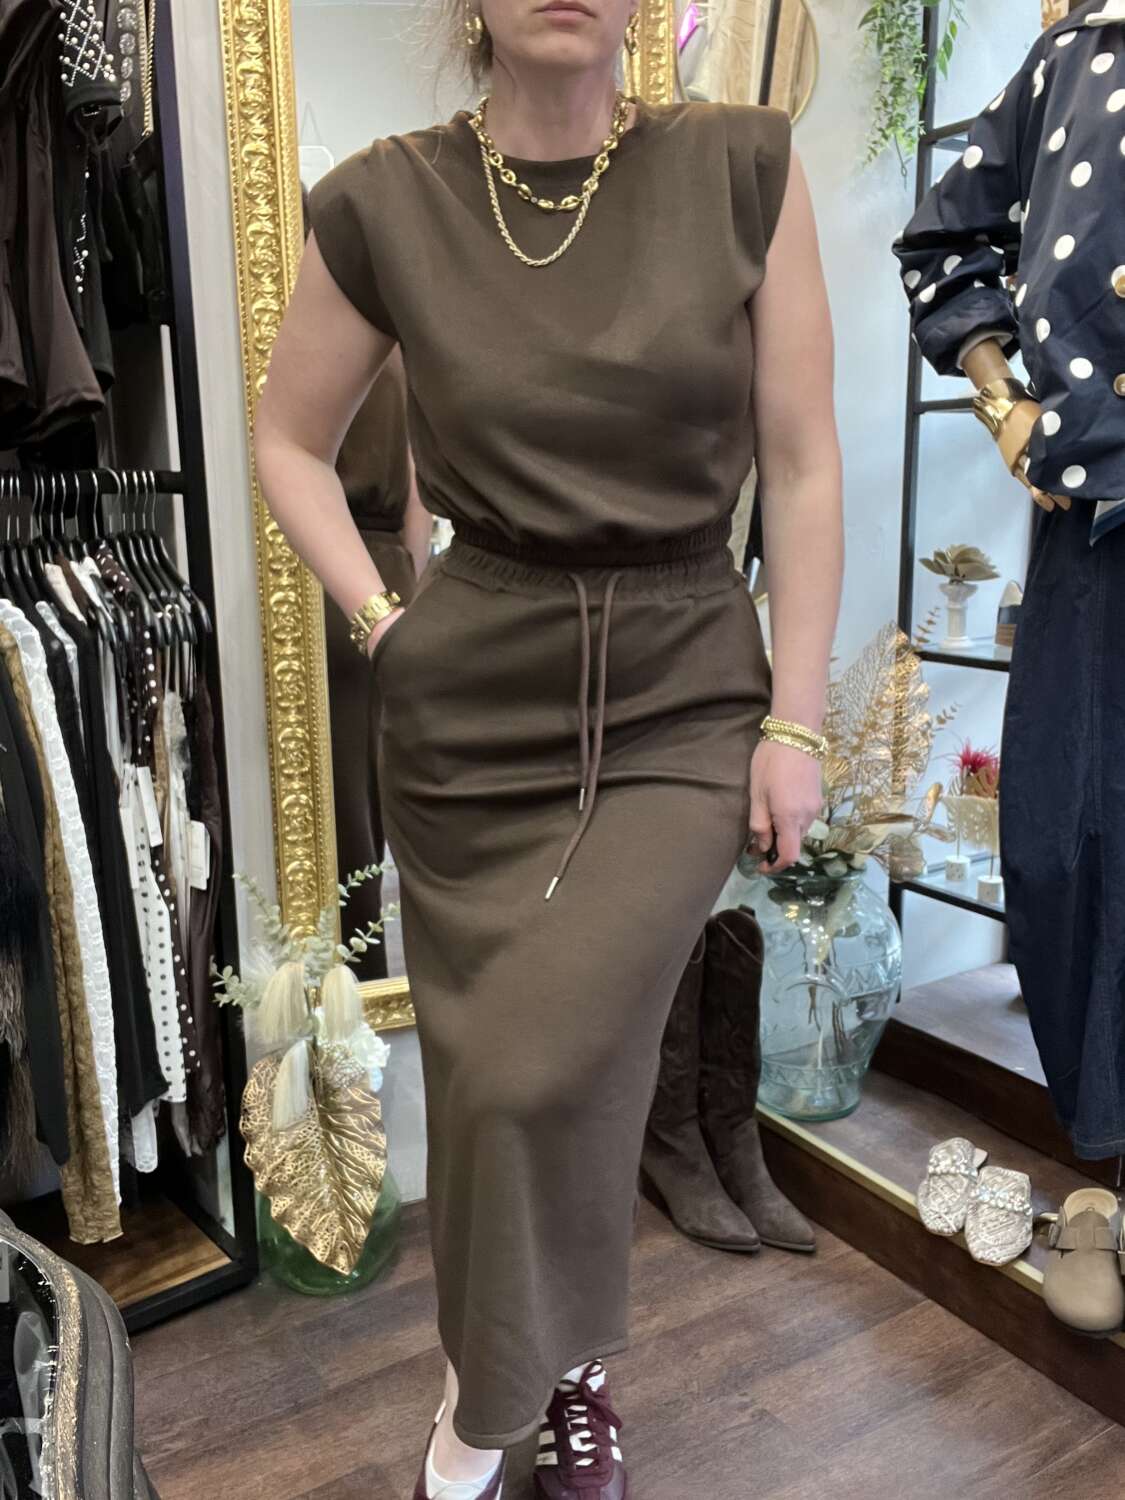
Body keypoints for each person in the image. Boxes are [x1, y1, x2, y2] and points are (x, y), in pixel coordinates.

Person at [254, 0, 842, 1493]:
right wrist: (383, 620)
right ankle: (561, 1373)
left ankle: (476, 1418)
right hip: (474, 707)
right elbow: (286, 439)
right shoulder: (386, 200)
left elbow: (801, 460)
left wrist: (796, 717)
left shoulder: (743, 168)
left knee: (537, 1069)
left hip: (684, 686)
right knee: (490, 1088)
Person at [893, 0, 1125, 1166]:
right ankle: (1105, 1149)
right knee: (1053, 847)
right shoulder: (1078, 53)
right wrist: (1003, 406)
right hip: (1094, 520)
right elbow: (943, 240)